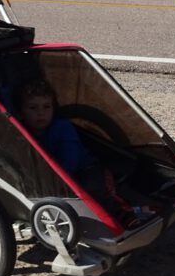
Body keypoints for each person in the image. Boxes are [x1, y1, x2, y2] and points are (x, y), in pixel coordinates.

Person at [16, 79, 154, 230]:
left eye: (46, 107)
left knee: (95, 190)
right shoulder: (22, 134)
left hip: (88, 168)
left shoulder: (62, 127)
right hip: (58, 176)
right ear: (21, 112)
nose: (40, 113)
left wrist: (61, 182)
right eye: (33, 107)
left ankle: (126, 216)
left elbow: (71, 159)